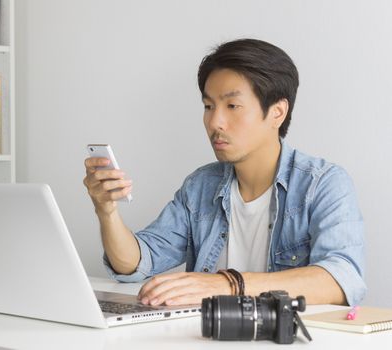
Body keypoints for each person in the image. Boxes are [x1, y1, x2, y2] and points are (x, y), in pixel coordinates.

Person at [83, 38, 365, 307]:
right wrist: (106, 211)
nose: (215, 122)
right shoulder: (201, 186)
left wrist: (228, 285)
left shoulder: (323, 184)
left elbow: (341, 279)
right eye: (208, 106)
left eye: (232, 106)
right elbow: (135, 263)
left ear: (277, 112)